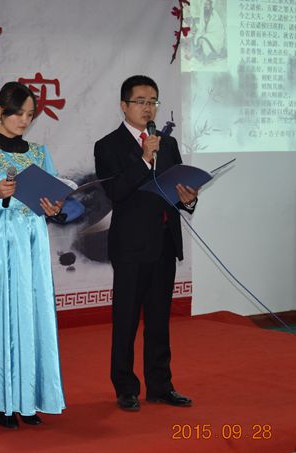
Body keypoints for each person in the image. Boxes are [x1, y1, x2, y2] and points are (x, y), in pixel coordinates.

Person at [0, 82, 66, 429]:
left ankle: (29, 398)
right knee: (1, 313)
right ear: (0, 111)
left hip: (33, 240)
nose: (24, 120)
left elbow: (54, 200)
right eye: (18, 113)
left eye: (30, 114)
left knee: (32, 311)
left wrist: (54, 208)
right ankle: (3, 401)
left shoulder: (39, 152)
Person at [93, 75, 198, 412]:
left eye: (152, 101)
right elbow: (116, 192)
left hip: (165, 242)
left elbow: (177, 188)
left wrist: (189, 198)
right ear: (124, 106)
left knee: (159, 320)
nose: (147, 107)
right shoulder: (107, 146)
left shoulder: (168, 144)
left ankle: (161, 386)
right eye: (140, 101)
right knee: (126, 320)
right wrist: (142, 159)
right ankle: (125, 387)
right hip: (130, 247)